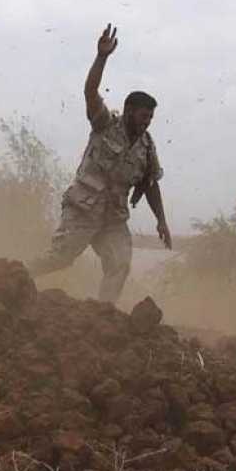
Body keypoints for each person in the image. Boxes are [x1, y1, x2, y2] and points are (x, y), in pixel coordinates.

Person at [28, 24, 171, 303]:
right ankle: (14, 276)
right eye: (143, 116)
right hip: (84, 209)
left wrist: (161, 221)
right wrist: (102, 57)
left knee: (120, 264)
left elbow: (150, 184)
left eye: (150, 118)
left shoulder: (147, 147)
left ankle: (103, 314)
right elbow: (90, 91)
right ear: (129, 111)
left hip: (112, 219)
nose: (147, 122)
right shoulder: (105, 124)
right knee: (60, 258)